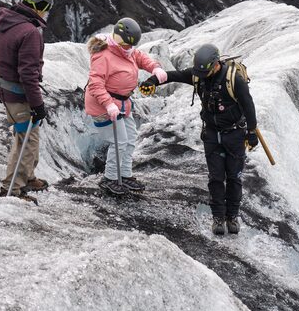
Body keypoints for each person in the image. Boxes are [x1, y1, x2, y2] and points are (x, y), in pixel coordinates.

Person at [142, 44, 258, 236]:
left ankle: (232, 216)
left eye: (205, 72)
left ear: (216, 65)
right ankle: (218, 218)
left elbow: (248, 104)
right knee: (215, 177)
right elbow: (173, 75)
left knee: (234, 177)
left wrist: (252, 132)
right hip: (212, 135)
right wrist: (152, 80)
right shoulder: (198, 75)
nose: (202, 76)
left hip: (235, 134)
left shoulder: (234, 79)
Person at [84, 17, 165, 195]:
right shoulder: (103, 55)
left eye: (132, 46)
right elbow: (95, 83)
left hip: (122, 103)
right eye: (127, 45)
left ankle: (125, 174)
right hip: (104, 106)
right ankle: (110, 178)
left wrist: (155, 68)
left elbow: (141, 58)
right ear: (119, 39)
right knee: (119, 141)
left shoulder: (127, 51)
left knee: (130, 137)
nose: (130, 49)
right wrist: (108, 104)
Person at [0, 0, 54, 197]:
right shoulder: (30, 32)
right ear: (41, 6)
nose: (46, 14)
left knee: (26, 135)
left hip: (4, 88)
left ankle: (28, 176)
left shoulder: (4, 20)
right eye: (47, 8)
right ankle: (13, 188)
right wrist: (37, 104)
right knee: (27, 140)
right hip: (18, 94)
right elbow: (28, 74)